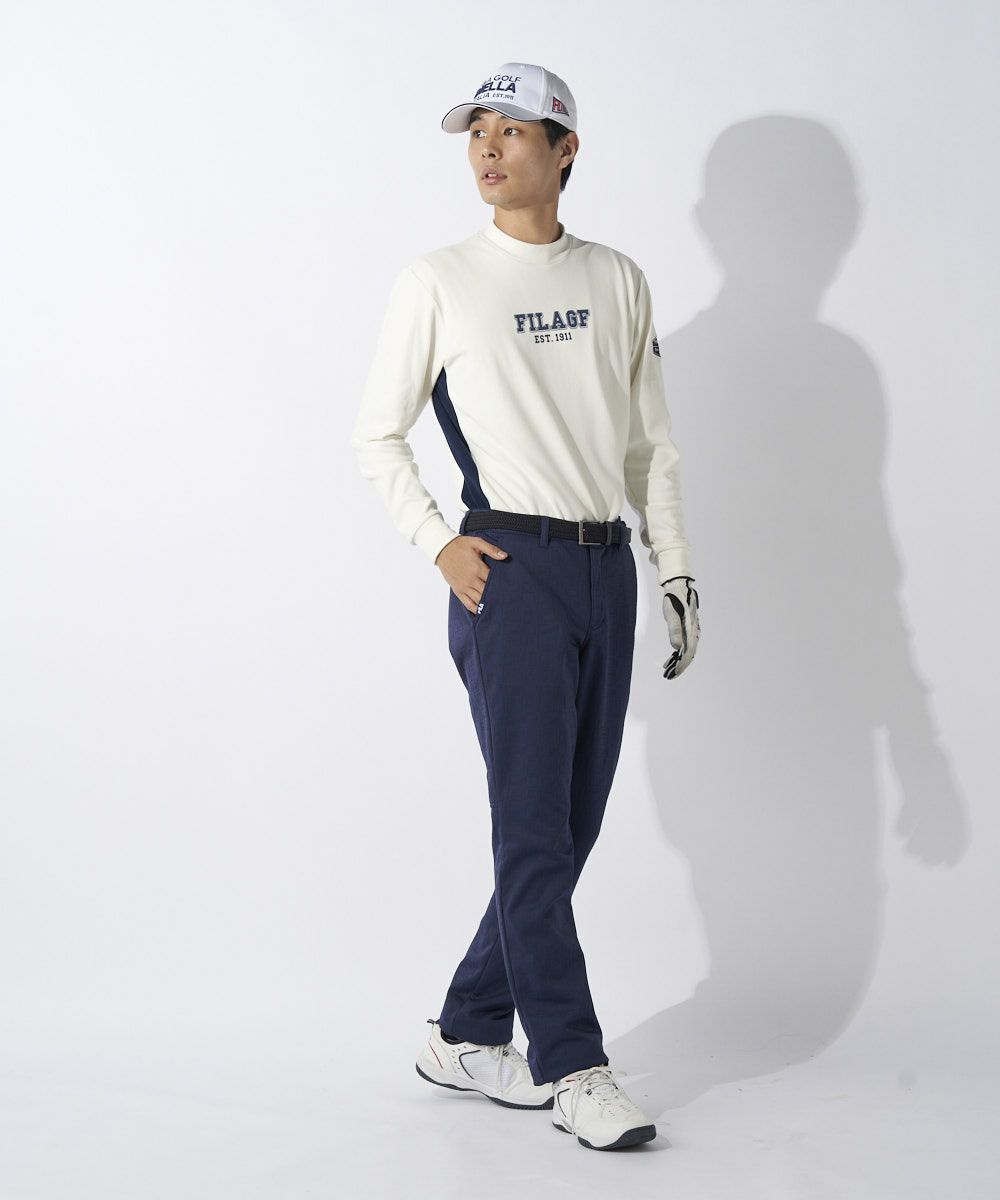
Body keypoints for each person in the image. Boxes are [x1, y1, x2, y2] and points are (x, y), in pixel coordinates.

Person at [351, 61, 701, 1151]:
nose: (489, 149)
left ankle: (464, 1031)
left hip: (605, 568)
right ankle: (573, 1063)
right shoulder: (439, 281)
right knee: (534, 829)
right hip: (511, 573)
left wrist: (675, 567)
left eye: (512, 130)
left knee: (569, 827)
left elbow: (650, 448)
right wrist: (438, 542)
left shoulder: (618, 279)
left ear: (566, 150)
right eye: (477, 133)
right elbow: (376, 435)